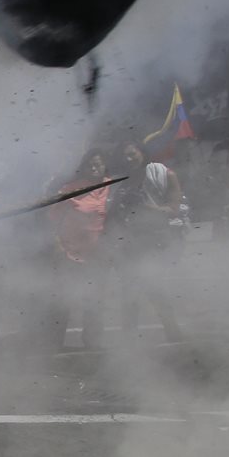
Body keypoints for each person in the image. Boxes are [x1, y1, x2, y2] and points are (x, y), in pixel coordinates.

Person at [108, 142, 185, 344]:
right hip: (130, 242)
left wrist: (146, 207)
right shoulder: (123, 183)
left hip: (156, 241)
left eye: (132, 154)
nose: (129, 159)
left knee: (154, 286)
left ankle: (173, 332)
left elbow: (173, 209)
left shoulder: (165, 175)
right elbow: (114, 215)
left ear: (142, 153)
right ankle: (129, 338)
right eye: (125, 156)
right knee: (129, 290)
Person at [44, 149, 112, 350]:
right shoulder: (71, 188)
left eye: (98, 163)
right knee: (64, 299)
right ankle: (55, 342)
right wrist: (57, 246)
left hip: (98, 255)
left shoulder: (111, 187)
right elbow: (52, 220)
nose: (94, 167)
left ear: (104, 165)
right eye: (90, 164)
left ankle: (93, 341)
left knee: (94, 300)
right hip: (70, 253)